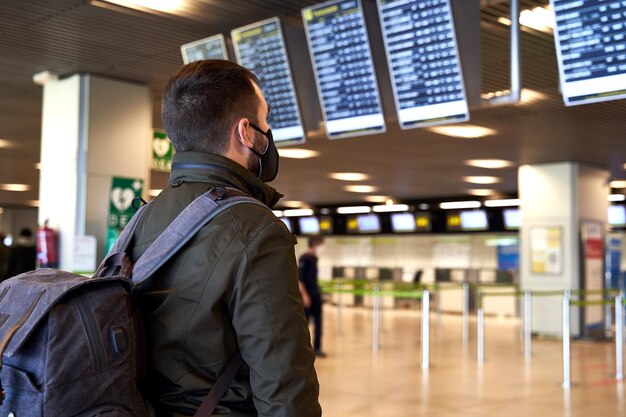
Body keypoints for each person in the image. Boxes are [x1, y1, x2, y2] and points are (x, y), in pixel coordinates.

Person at [129, 60, 321, 417]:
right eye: (266, 120)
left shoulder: (142, 218)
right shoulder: (255, 229)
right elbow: (283, 386)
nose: (269, 130)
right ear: (246, 132)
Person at [298, 236, 326, 357]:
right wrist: (305, 295)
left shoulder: (315, 258)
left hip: (315, 295)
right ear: (315, 244)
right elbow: (300, 280)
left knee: (319, 323)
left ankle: (317, 348)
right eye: (321, 244)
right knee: (305, 325)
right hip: (307, 296)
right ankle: (302, 349)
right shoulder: (305, 258)